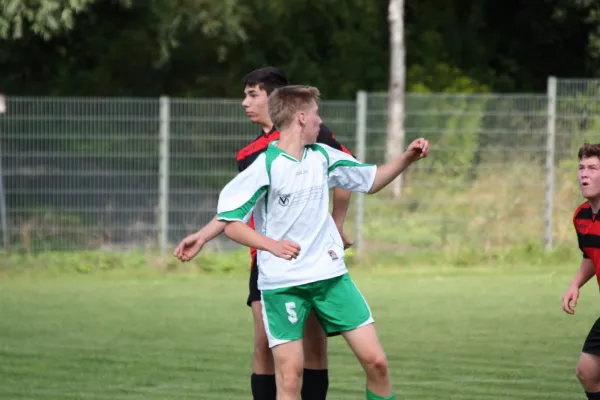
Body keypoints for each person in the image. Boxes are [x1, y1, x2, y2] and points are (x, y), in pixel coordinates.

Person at [216, 85, 429, 400]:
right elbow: (230, 224)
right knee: (290, 381)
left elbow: (371, 182)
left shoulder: (324, 157)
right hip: (282, 286)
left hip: (330, 279)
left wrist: (407, 158)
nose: (320, 121)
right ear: (301, 118)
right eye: (316, 114)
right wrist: (271, 245)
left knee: (377, 362)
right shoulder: (265, 165)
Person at [173, 67, 354, 400]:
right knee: (263, 341)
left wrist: (337, 223)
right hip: (267, 259)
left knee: (313, 343)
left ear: (273, 98)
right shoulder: (248, 155)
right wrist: (202, 235)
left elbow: (348, 171)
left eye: (252, 94)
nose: (245, 102)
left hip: (310, 256)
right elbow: (237, 209)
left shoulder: (311, 132)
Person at [563, 142, 600, 400]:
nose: (584, 174)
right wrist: (575, 284)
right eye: (581, 168)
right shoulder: (582, 216)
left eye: (593, 168)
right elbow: (590, 254)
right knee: (587, 370)